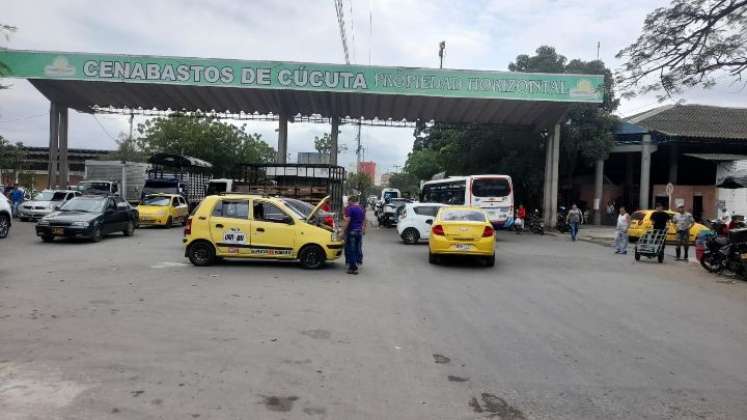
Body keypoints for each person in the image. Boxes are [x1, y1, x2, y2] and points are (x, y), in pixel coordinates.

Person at [342, 195, 366, 275]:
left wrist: (342, 231)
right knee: (357, 248)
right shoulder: (361, 208)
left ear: (351, 201)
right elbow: (364, 220)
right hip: (359, 232)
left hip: (352, 231)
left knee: (350, 249)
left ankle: (353, 268)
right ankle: (357, 262)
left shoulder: (350, 208)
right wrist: (363, 229)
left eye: (348, 201)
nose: (348, 203)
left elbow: (347, 221)